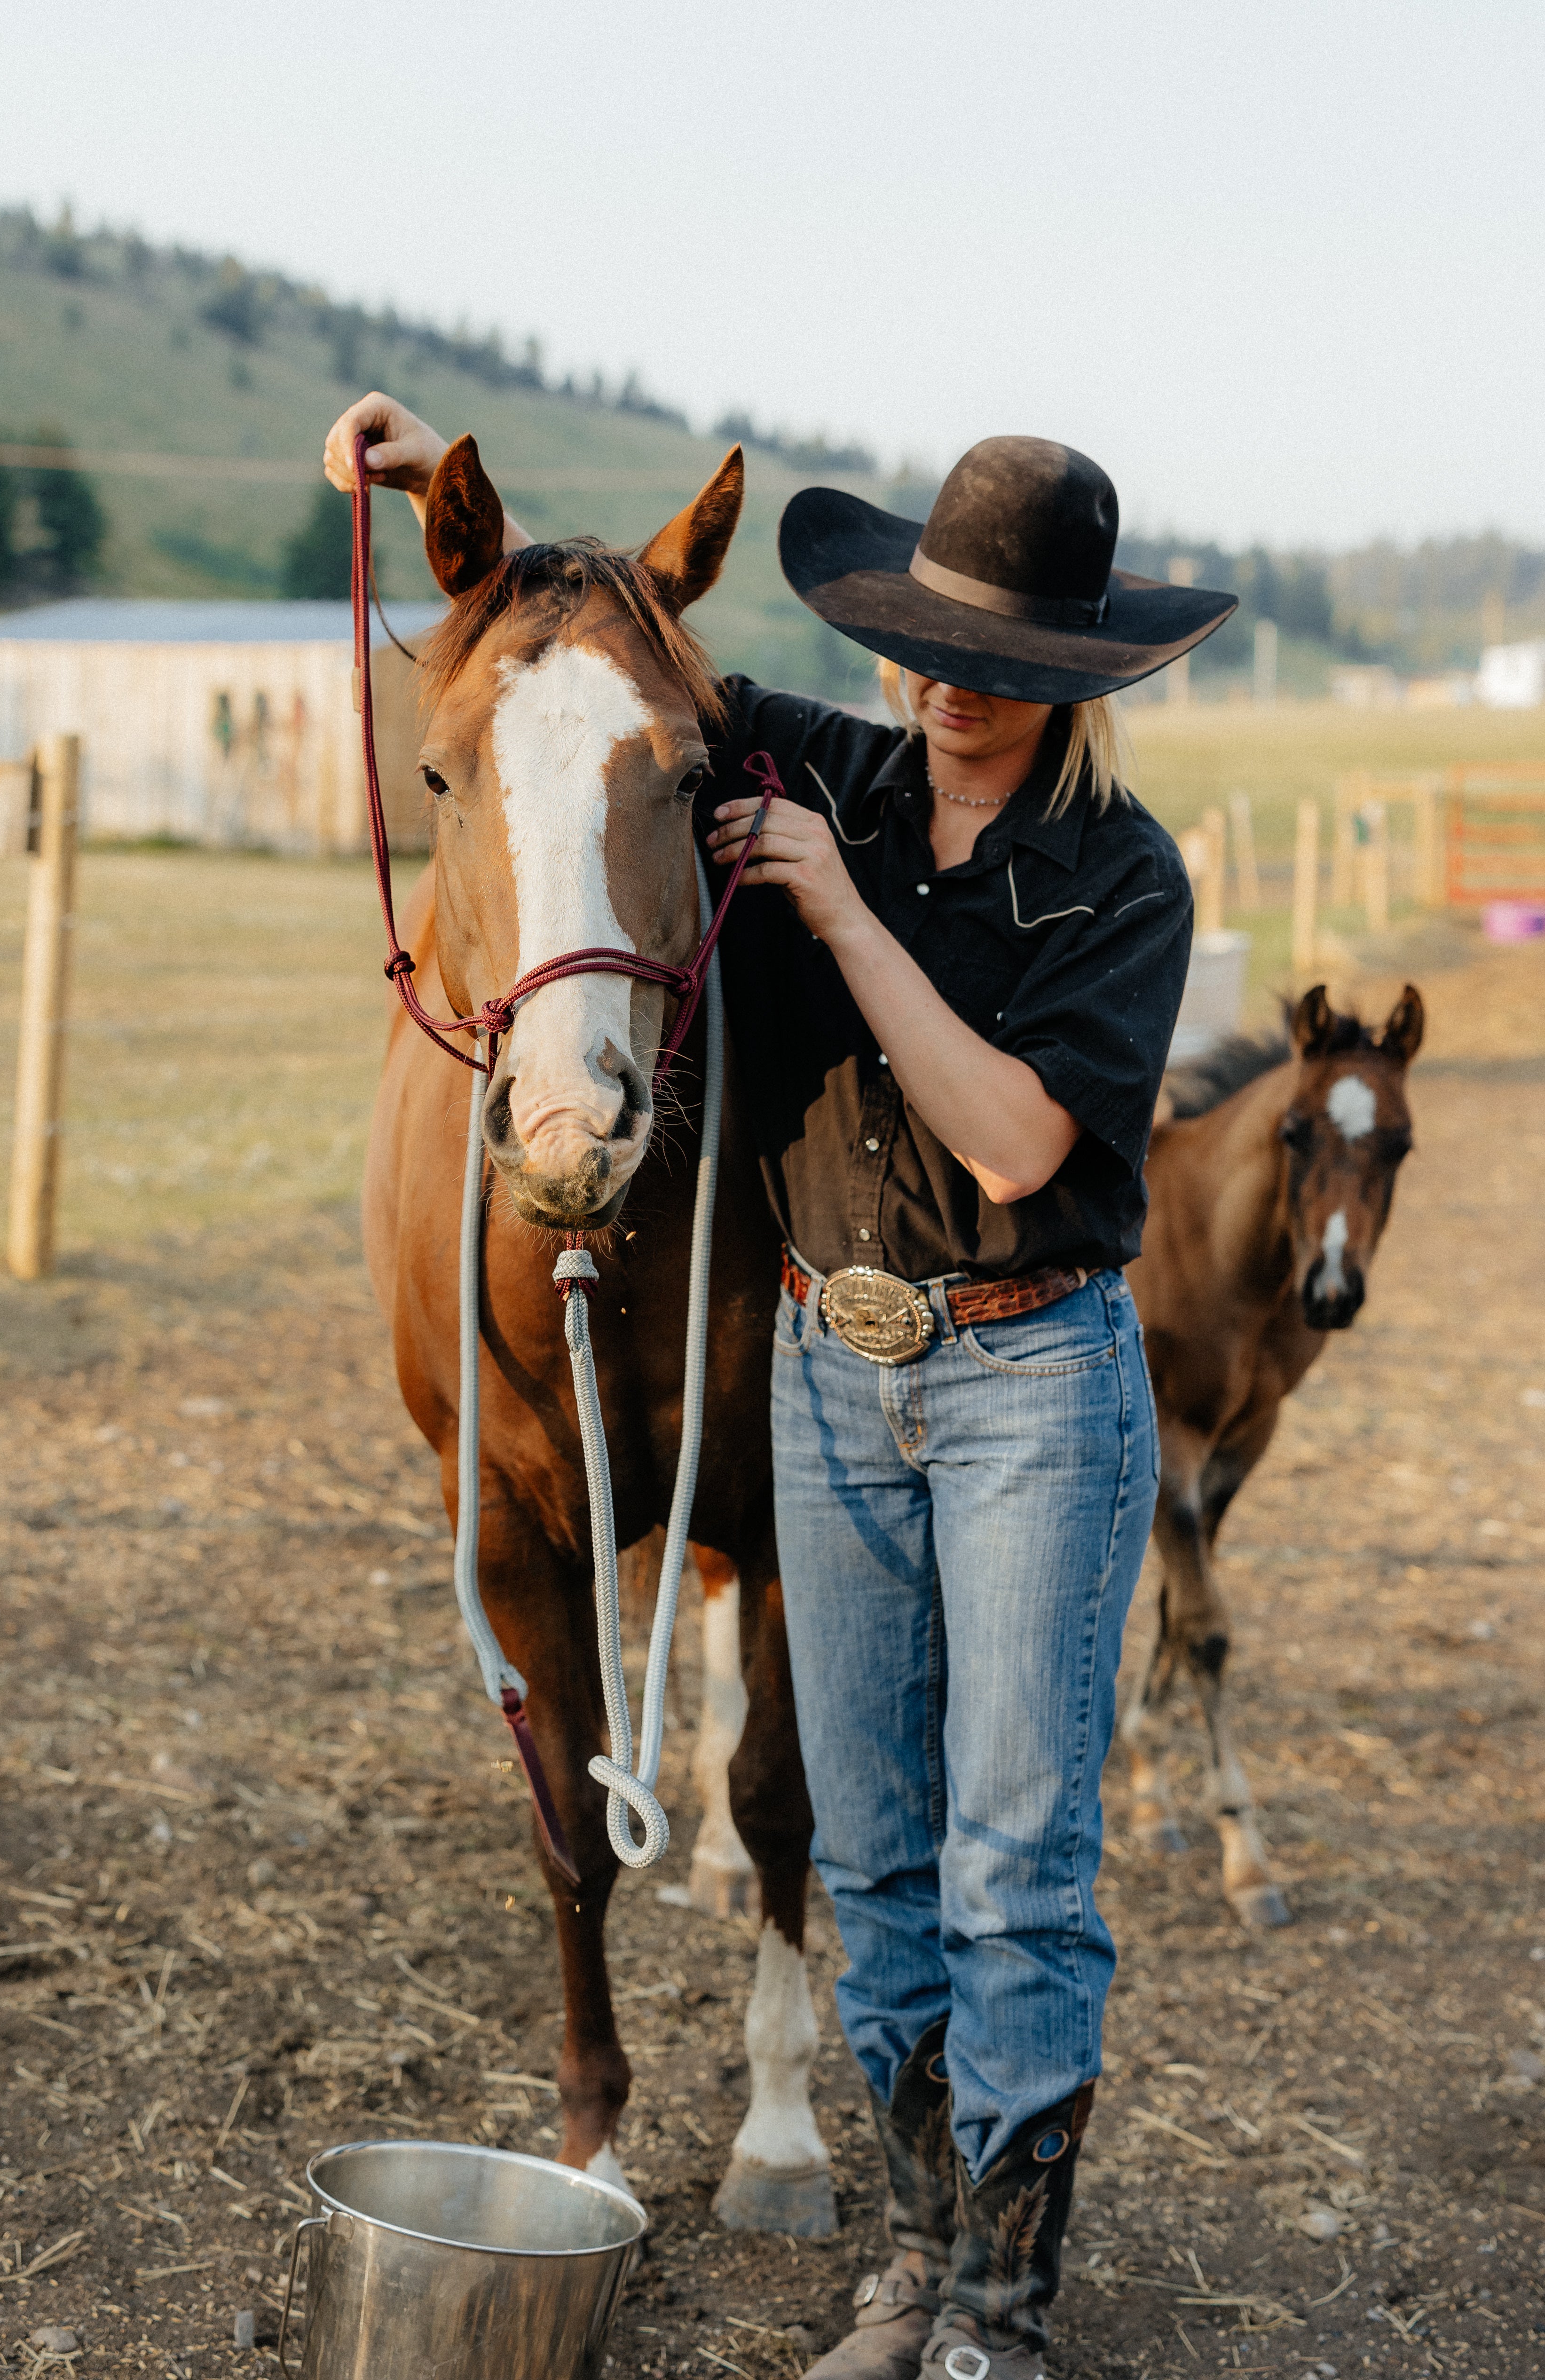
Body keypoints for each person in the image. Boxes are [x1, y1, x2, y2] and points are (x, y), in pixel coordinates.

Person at [325, 395, 1235, 2380]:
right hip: (833, 1373)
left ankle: (996, 2304)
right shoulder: (833, 760)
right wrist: (434, 513)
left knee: (1014, 1863)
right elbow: (594, 684)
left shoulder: (1118, 881)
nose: (947, 695)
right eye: (923, 653)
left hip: (1022, 1389)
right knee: (883, 1846)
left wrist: (830, 902)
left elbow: (1011, 1148)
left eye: (995, 672)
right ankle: (915, 2267)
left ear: (1069, 682)